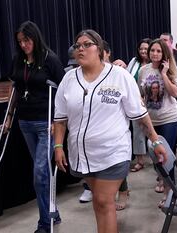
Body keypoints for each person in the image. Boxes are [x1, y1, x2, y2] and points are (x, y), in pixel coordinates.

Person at [53, 29, 167, 233]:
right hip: (82, 154)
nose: (81, 49)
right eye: (78, 45)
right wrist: (58, 145)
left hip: (114, 152)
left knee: (104, 201)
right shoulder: (69, 80)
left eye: (87, 44)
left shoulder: (119, 76)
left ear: (100, 49)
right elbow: (60, 119)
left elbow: (140, 113)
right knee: (99, 202)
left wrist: (155, 140)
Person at [2, 21, 65, 233]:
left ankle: (44, 224)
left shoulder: (51, 59)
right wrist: (9, 117)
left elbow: (63, 92)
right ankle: (52, 212)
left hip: (45, 123)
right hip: (25, 122)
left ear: (35, 38)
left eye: (26, 41)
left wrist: (57, 122)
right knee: (43, 173)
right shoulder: (18, 60)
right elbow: (16, 90)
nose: (23, 45)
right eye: (20, 42)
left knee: (40, 173)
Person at [138, 38, 177, 207]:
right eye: (152, 51)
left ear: (164, 53)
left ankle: (169, 193)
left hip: (169, 118)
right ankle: (164, 180)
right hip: (151, 120)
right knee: (156, 156)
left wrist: (164, 74)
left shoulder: (172, 70)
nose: (155, 54)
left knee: (166, 156)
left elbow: (175, 93)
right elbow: (141, 93)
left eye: (158, 51)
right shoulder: (143, 70)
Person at [127, 38, 152, 173]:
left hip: (153, 102)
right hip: (135, 102)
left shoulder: (155, 64)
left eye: (145, 49)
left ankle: (157, 158)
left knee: (153, 131)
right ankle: (140, 160)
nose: (143, 51)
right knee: (137, 132)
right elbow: (127, 76)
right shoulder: (134, 62)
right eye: (141, 48)